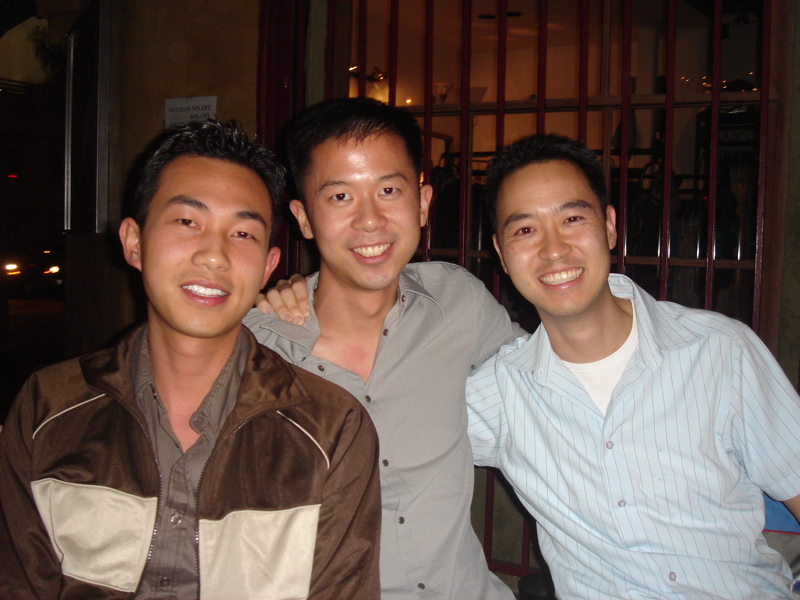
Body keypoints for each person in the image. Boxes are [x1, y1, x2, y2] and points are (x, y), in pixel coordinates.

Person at [0, 120, 381, 600]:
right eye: (187, 222)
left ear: (268, 266)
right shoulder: (49, 406)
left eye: (242, 233)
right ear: (134, 242)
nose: (214, 255)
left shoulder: (332, 428)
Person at [467, 132, 800, 599]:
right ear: (501, 254)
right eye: (525, 230)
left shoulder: (720, 352)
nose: (554, 249)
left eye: (572, 218)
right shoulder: (501, 391)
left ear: (609, 227)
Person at [243, 97, 521, 599]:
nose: (370, 220)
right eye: (340, 196)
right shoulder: (255, 346)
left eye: (389, 190)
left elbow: (554, 382)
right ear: (304, 218)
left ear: (423, 202)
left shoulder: (459, 303)